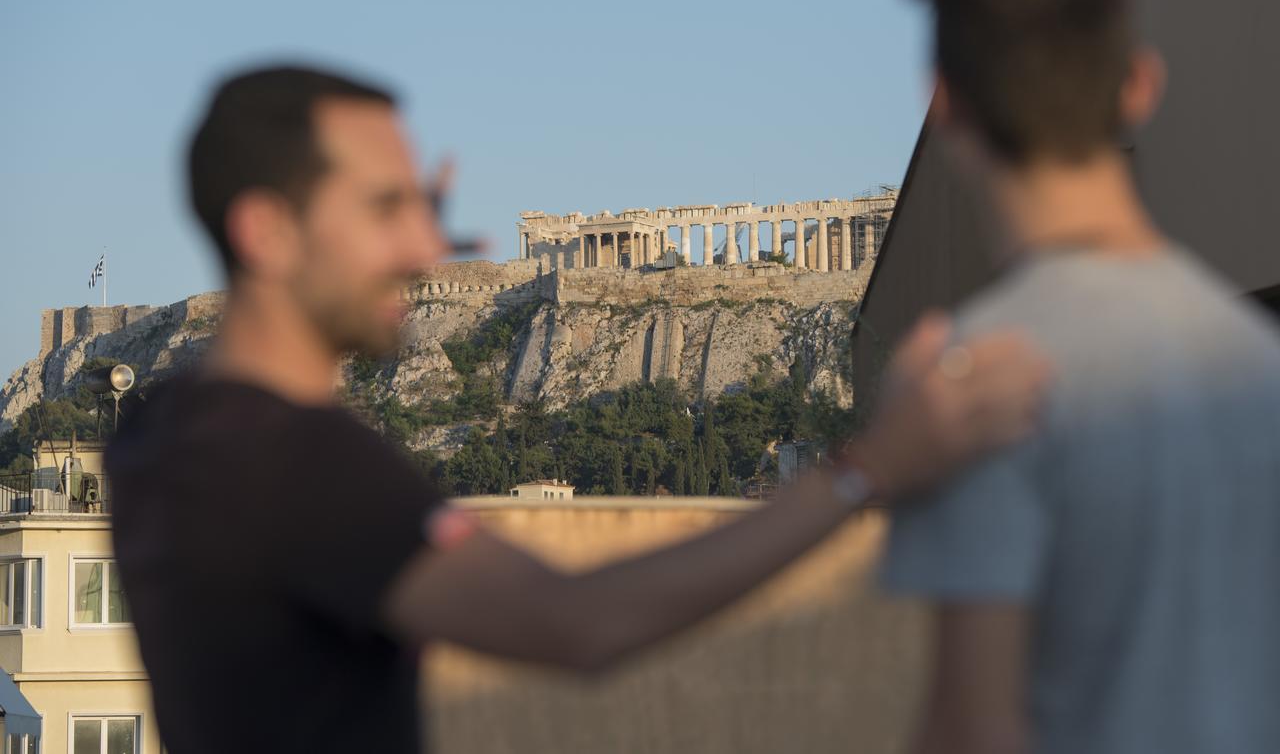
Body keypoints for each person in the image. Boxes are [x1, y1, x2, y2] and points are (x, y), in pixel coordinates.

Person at [105, 66, 1049, 754]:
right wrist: (870, 466)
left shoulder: (159, 431)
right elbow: (579, 623)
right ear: (266, 229)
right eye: (385, 204)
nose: (428, 241)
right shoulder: (294, 460)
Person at [880, 0, 1280, 754]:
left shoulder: (971, 387)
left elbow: (973, 729)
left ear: (946, 106)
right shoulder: (1261, 362)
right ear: (1138, 82)